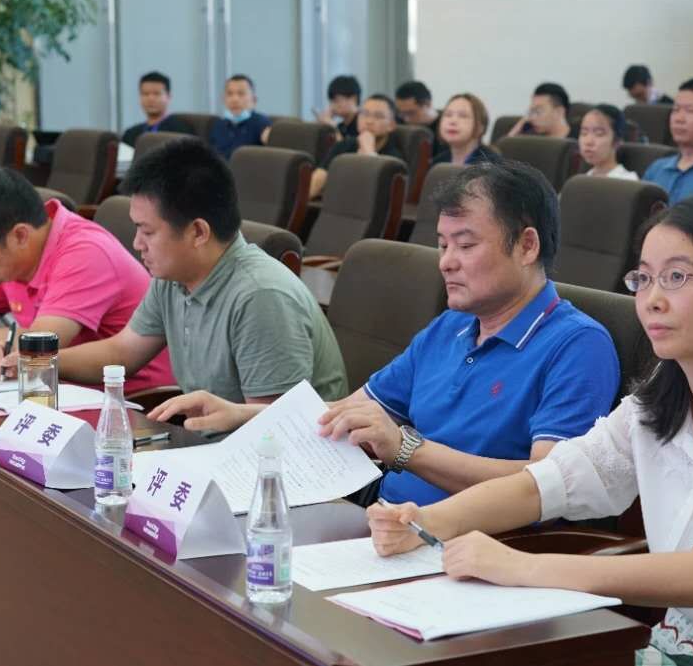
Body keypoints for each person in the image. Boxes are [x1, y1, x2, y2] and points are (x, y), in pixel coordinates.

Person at [367, 195, 693, 664]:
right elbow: (543, 484)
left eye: (676, 277)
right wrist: (426, 522)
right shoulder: (654, 405)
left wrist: (521, 567)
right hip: (677, 643)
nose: (652, 299)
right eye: (644, 279)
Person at [152, 161, 620, 507]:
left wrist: (406, 450)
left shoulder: (577, 346)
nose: (446, 262)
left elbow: (545, 484)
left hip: (473, 551)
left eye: (466, 245)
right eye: (442, 245)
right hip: (379, 518)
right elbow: (343, 415)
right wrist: (240, 414)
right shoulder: (451, 327)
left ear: (527, 245)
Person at [0, 139, 346, 404]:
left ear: (198, 232)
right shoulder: (173, 279)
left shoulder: (260, 297)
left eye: (147, 232)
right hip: (211, 447)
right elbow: (122, 353)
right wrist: (40, 361)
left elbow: (272, 429)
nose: (137, 244)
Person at [0, 166, 174, 393]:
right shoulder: (13, 256)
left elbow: (38, 347)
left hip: (132, 403)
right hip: (60, 390)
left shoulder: (85, 252)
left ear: (19, 235)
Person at [309, 94, 404, 200]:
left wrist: (369, 153)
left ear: (391, 125)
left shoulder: (394, 159)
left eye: (378, 116)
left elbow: (378, 196)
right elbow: (318, 179)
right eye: (364, 114)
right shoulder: (344, 145)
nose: (369, 121)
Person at [207, 74, 272, 159]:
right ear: (223, 99)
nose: (235, 99)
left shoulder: (261, 124)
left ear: (254, 100)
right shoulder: (218, 125)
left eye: (241, 94)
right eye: (229, 94)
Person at [121, 72, 193, 147]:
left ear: (168, 97)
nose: (150, 99)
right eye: (145, 94)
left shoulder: (180, 130)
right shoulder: (130, 133)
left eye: (156, 94)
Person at [430, 93, 499, 166]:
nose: (453, 121)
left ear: (480, 127)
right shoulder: (436, 163)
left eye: (463, 116)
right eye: (448, 115)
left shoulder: (491, 164)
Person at [577, 104, 638, 180]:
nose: (588, 142)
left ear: (617, 141)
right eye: (584, 133)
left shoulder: (628, 180)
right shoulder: (581, 180)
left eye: (599, 134)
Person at [395, 80, 446, 158]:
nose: (405, 119)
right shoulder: (399, 122)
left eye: (410, 113)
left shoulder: (446, 128)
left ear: (428, 104)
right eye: (401, 113)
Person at [506, 83, 573, 139]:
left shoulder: (576, 141)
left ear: (559, 112)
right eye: (531, 111)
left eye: (538, 111)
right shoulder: (532, 137)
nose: (532, 118)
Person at [315, 74, 362, 139]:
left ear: (353, 99)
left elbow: (344, 145)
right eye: (331, 101)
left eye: (336, 101)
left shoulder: (362, 124)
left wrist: (333, 127)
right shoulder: (342, 126)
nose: (332, 106)